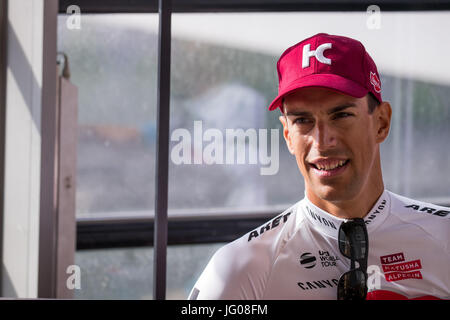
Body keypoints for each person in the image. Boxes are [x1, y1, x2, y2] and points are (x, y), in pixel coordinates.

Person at [188, 33, 450, 300]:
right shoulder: (237, 270)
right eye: (303, 120)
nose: (322, 141)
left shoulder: (445, 238)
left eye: (341, 115)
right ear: (288, 135)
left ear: (381, 122)